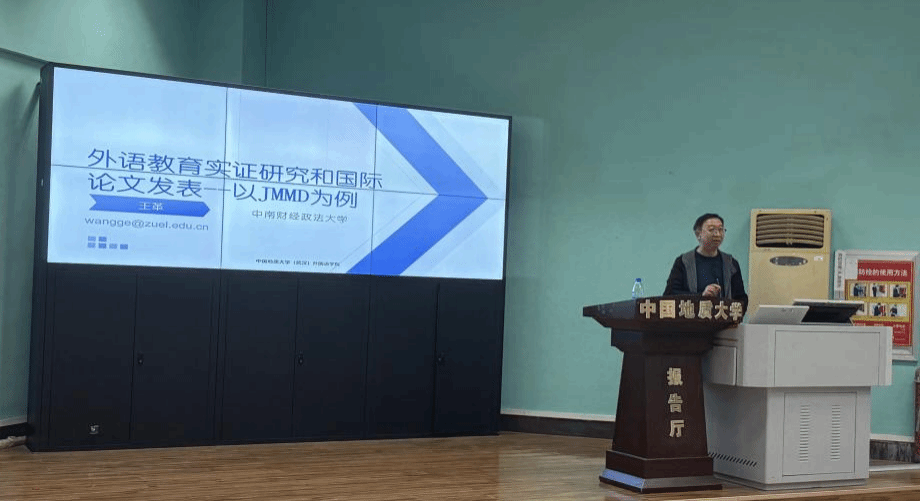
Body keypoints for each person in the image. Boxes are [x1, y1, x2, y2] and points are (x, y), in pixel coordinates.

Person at [664, 213, 748, 303]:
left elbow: (741, 299)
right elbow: (670, 295)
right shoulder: (684, 261)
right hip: (693, 312)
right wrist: (701, 296)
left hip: (722, 311)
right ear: (698, 234)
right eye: (711, 229)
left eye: (721, 230)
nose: (717, 234)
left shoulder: (730, 263)